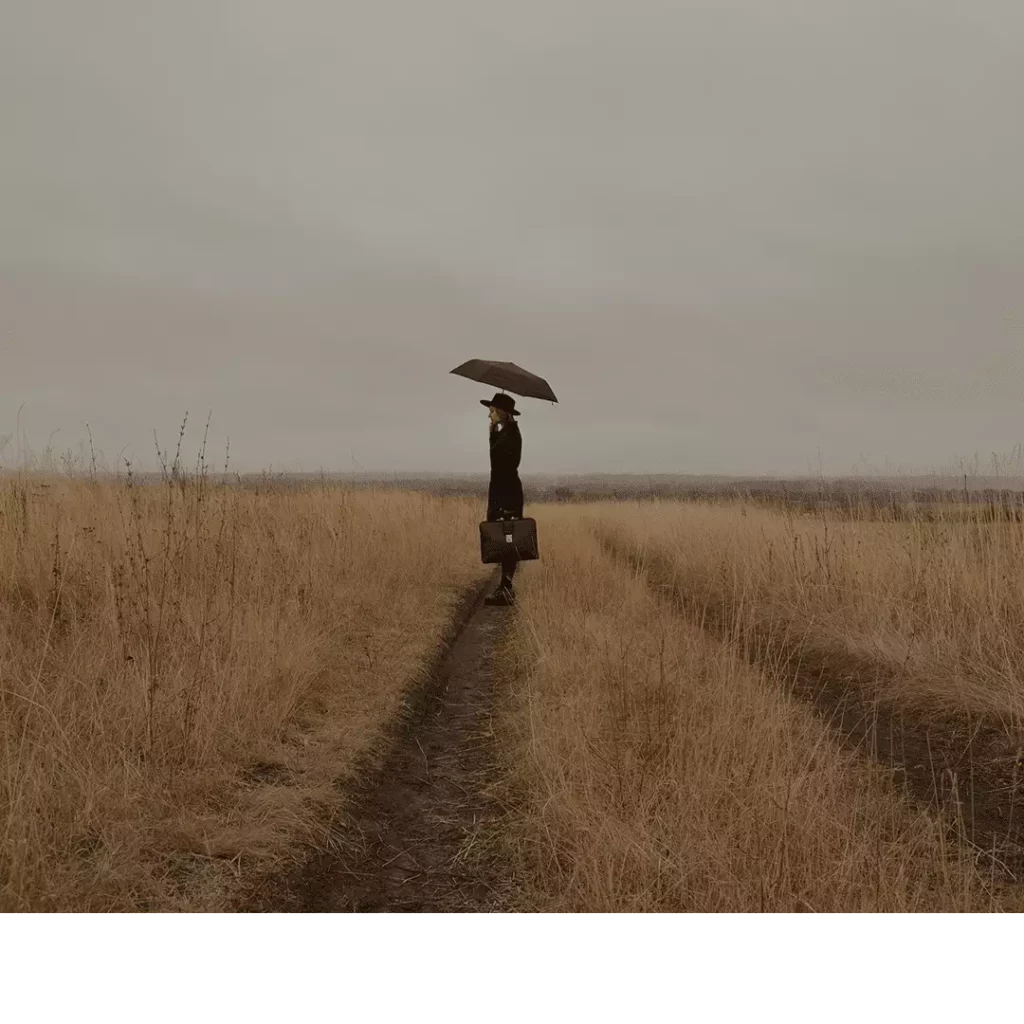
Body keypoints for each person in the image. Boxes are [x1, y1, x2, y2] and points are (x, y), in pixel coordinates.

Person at [482, 392, 523, 606]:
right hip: (504, 490)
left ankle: (506, 589)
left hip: (507, 492)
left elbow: (500, 464)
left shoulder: (511, 434)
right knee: (505, 537)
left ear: (501, 412)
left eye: (491, 411)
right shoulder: (506, 432)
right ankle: (505, 587)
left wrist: (493, 436)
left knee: (508, 538)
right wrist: (492, 434)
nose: (489, 415)